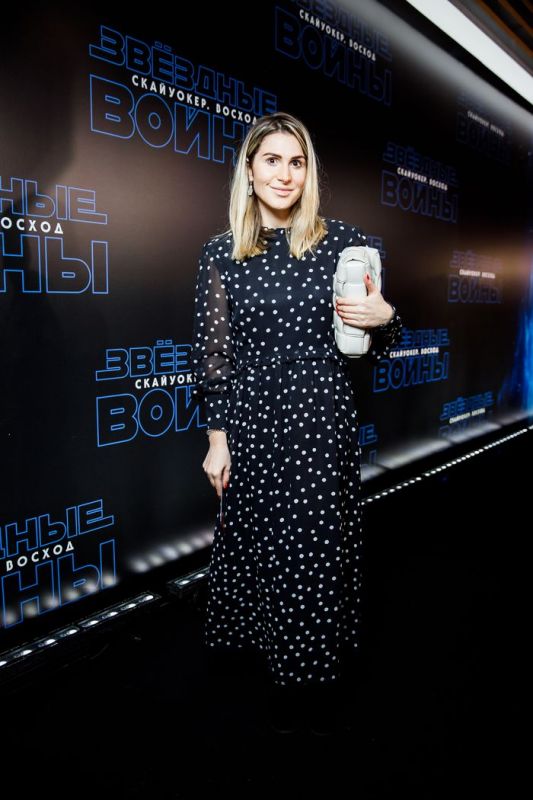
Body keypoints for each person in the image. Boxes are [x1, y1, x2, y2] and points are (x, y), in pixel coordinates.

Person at [191, 111, 402, 734]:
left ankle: (309, 674)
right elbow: (214, 355)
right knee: (257, 541)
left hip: (320, 418)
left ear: (309, 173)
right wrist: (218, 440)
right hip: (253, 421)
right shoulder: (221, 252)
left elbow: (376, 342)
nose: (285, 174)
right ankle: (260, 654)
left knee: (314, 545)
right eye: (272, 160)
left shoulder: (344, 244)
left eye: (297, 161)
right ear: (249, 170)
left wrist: (386, 317)